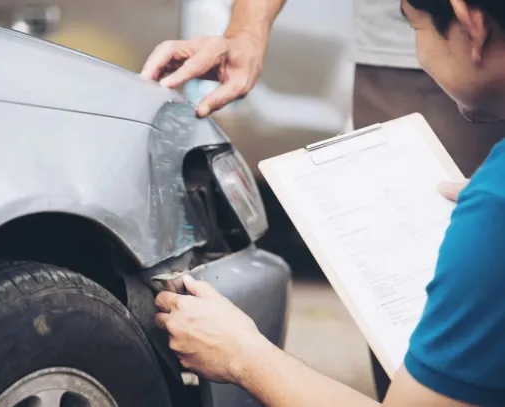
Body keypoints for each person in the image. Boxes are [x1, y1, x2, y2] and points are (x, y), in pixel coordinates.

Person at [141, 0, 505, 399]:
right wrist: (245, 31)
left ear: (473, 25)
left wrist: (242, 355)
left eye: (414, 27)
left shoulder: (493, 205)